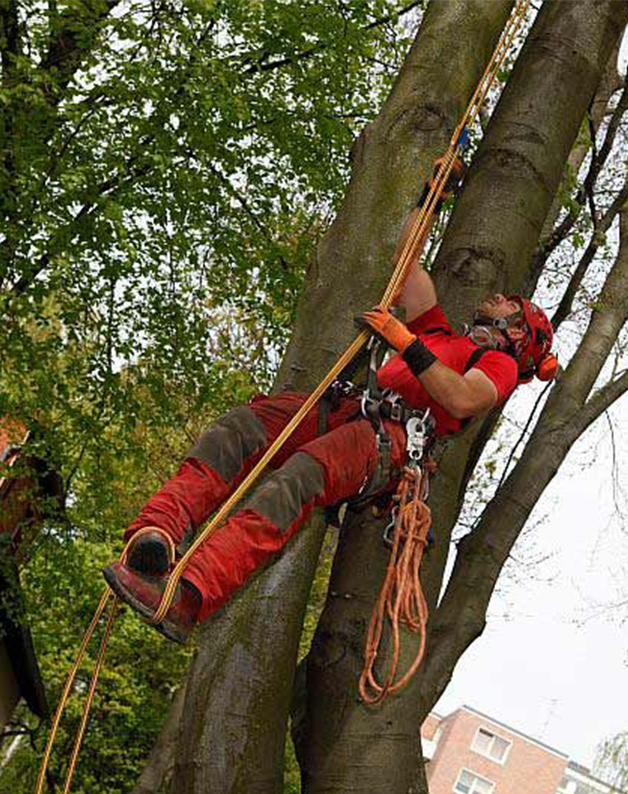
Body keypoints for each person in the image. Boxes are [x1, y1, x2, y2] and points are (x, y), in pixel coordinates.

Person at [102, 246, 557, 644]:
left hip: (388, 439)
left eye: (509, 304)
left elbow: (461, 396)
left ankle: (191, 594)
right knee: (239, 430)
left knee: (298, 478)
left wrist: (405, 343)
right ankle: (156, 534)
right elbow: (408, 262)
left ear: (517, 332)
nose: (498, 297)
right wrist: (433, 193)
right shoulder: (440, 334)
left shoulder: (495, 362)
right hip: (348, 409)